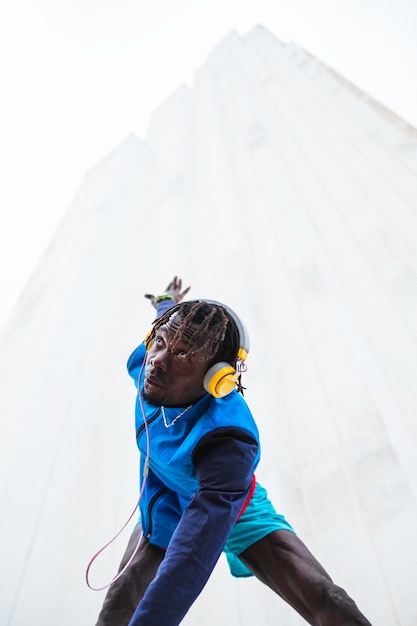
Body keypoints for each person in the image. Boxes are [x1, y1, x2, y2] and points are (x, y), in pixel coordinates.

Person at [94, 277, 372, 626]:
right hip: (166, 496)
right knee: (120, 598)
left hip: (233, 504)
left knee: (327, 599)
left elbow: (190, 559)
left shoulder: (229, 440)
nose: (159, 361)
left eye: (181, 354)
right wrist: (167, 302)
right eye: (160, 343)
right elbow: (166, 324)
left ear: (217, 378)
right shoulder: (147, 367)